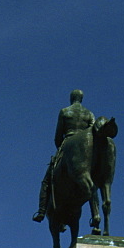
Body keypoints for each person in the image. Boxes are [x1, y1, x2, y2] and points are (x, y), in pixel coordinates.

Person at [33, 89, 96, 222]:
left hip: (67, 143)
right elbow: (93, 133)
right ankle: (95, 214)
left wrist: (60, 151)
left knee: (46, 181)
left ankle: (41, 211)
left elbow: (57, 136)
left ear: (71, 98)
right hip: (86, 149)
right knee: (91, 181)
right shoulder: (89, 114)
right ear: (81, 99)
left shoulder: (65, 111)